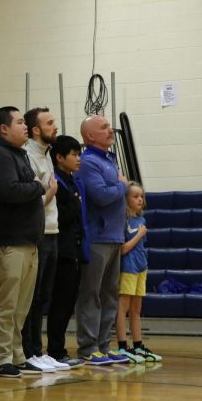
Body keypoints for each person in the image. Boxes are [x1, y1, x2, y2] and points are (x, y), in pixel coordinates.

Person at [0, 107, 45, 378]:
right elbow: (9, 190)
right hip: (8, 241)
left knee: (21, 307)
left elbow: (23, 186)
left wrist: (32, 184)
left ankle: (17, 355)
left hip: (28, 242)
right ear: (3, 128)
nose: (25, 126)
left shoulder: (19, 154)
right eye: (19, 122)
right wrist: (38, 186)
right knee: (5, 304)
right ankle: (1, 357)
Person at [75, 115, 130, 366]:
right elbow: (101, 195)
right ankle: (88, 347)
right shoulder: (88, 162)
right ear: (90, 136)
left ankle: (104, 345)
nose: (111, 130)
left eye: (109, 126)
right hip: (97, 237)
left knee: (109, 294)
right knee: (92, 293)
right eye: (104, 127)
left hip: (114, 236)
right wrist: (124, 186)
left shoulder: (109, 160)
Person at [21, 107, 69, 372]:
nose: (55, 127)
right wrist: (50, 192)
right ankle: (28, 350)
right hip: (37, 233)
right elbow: (35, 199)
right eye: (50, 123)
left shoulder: (47, 154)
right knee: (32, 296)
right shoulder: (28, 155)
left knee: (43, 296)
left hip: (53, 231)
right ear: (36, 129)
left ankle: (37, 350)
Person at [45, 135, 87, 368]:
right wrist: (75, 204)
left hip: (75, 249)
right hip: (61, 250)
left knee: (68, 303)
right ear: (59, 158)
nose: (78, 158)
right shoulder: (56, 183)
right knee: (60, 302)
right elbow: (60, 217)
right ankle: (55, 350)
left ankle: (59, 349)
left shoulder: (72, 181)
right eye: (74, 154)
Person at [114, 183, 162, 363]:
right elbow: (123, 249)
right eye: (135, 196)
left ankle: (138, 345)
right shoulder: (123, 220)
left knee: (136, 310)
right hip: (128, 268)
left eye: (141, 196)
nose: (140, 199)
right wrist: (140, 234)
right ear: (126, 199)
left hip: (142, 268)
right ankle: (122, 345)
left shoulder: (142, 220)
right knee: (123, 308)